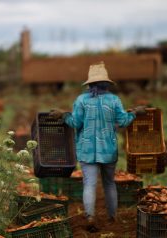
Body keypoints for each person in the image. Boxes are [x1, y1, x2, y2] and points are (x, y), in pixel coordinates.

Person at [50, 62, 145, 232]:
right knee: (109, 183)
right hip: (108, 150)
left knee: (89, 185)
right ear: (107, 83)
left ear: (90, 83)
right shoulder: (114, 100)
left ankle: (90, 216)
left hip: (87, 151)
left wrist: (63, 115)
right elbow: (123, 121)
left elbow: (75, 123)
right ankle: (112, 216)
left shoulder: (82, 100)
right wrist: (135, 112)